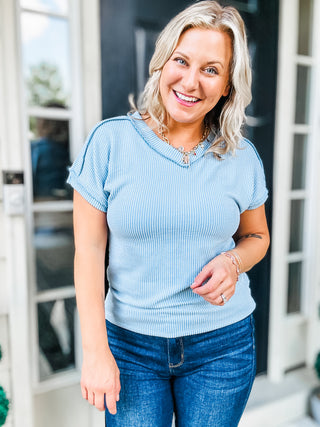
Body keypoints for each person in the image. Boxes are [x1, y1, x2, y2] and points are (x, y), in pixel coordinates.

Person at [67, 1, 270, 426]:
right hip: (131, 347)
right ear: (162, 63)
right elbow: (87, 252)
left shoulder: (242, 158)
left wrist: (234, 262)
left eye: (211, 70)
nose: (191, 82)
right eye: (182, 60)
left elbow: (257, 238)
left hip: (223, 347)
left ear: (228, 86)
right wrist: (95, 351)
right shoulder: (109, 143)